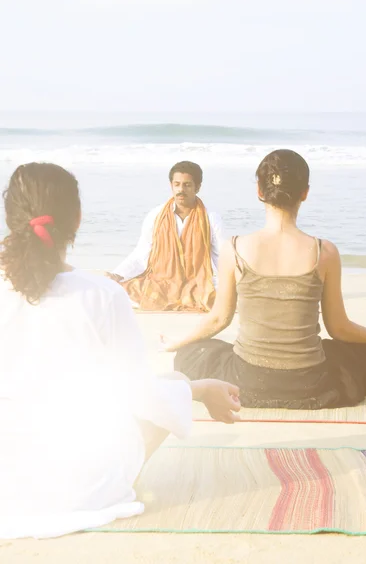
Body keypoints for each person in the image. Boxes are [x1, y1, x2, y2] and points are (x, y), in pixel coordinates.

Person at [0, 162, 240, 539]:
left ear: (10, 217)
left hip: (7, 488)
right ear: (77, 219)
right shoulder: (101, 295)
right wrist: (200, 388)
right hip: (84, 491)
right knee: (172, 381)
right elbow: (141, 395)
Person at [162, 149, 366, 409]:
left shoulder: (234, 249)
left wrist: (179, 341)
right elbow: (340, 328)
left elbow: (219, 319)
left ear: (259, 192)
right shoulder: (325, 252)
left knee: (189, 355)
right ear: (305, 193)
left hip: (248, 380)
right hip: (310, 382)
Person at [110, 161, 222, 312]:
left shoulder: (210, 218)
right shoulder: (156, 215)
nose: (181, 190)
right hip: (162, 281)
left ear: (198, 187)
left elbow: (221, 256)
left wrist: (236, 282)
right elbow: (141, 253)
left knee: (219, 294)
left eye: (187, 185)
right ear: (171, 185)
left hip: (197, 281)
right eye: (177, 184)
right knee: (117, 290)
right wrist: (117, 274)